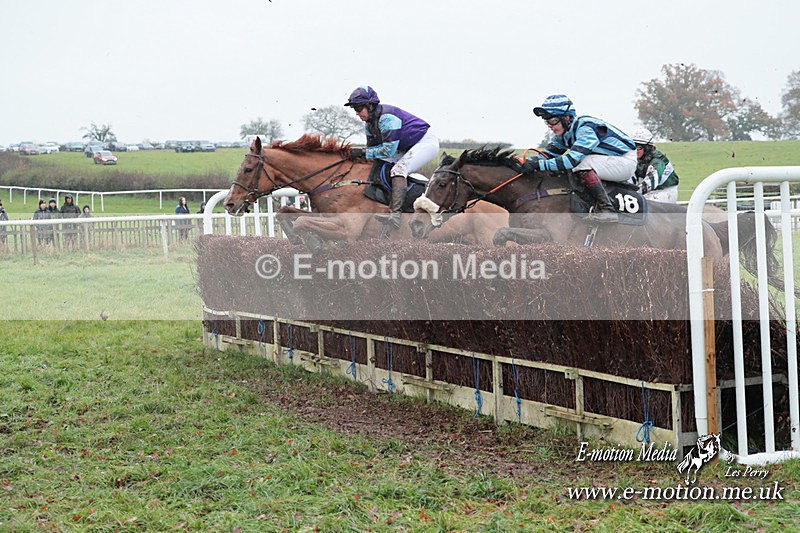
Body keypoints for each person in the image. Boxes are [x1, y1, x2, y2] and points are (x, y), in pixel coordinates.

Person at [506, 95, 637, 223]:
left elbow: (571, 161)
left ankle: (607, 209)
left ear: (567, 117)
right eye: (547, 121)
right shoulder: (564, 134)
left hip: (625, 161)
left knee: (581, 164)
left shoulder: (586, 127)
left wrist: (538, 165)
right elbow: (547, 155)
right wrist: (524, 162)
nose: (550, 126)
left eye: (553, 121)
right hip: (608, 160)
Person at [344, 85, 440, 231]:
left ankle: (395, 215)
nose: (357, 113)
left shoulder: (387, 118)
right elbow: (373, 151)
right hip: (404, 146)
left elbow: (387, 151)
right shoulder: (369, 125)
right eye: (354, 109)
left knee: (398, 170)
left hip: (425, 142)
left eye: (358, 108)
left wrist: (363, 152)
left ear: (370, 105)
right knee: (378, 164)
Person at [630, 127, 679, 203]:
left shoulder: (658, 161)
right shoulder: (637, 159)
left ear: (647, 148)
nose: (635, 151)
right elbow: (630, 178)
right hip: (650, 191)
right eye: (633, 147)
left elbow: (650, 182)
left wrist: (632, 194)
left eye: (639, 148)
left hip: (665, 192)